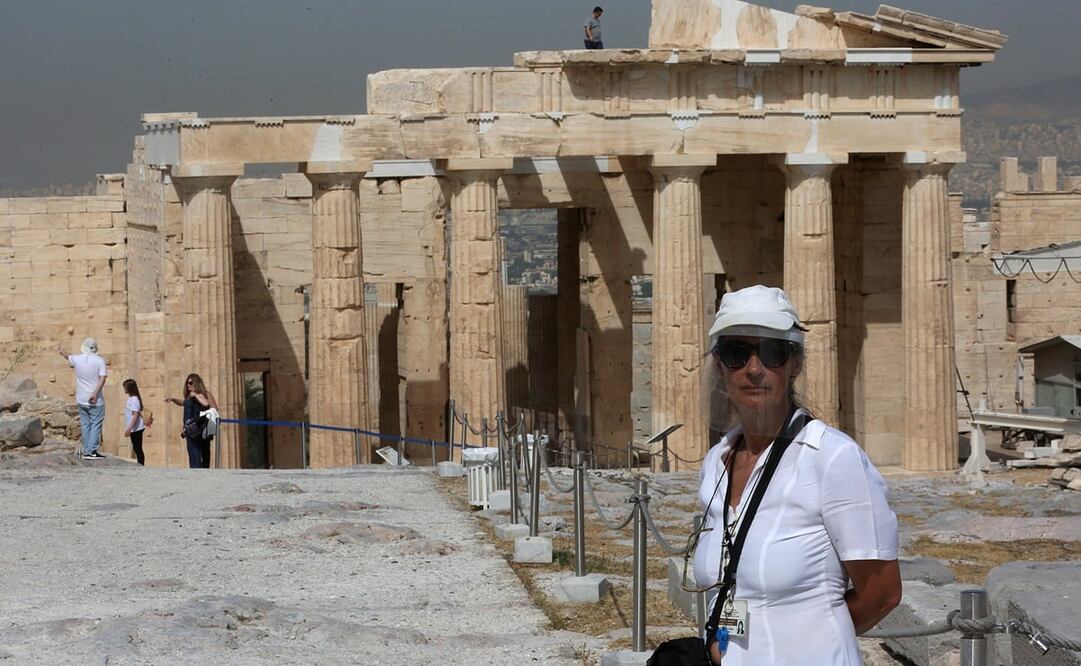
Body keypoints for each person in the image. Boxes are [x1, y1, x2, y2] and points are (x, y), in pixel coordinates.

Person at [692, 285, 900, 665]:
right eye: (737, 353)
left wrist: (810, 639)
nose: (755, 369)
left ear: (794, 364)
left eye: (772, 353)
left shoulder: (834, 460)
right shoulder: (716, 462)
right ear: (720, 365)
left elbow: (882, 594)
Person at [57, 338, 108, 461]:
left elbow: (67, 356)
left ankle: (86, 449)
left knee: (85, 424)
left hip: (81, 398)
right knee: (96, 423)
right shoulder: (99, 361)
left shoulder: (77, 359)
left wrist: (61, 350)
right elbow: (102, 379)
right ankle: (92, 451)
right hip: (95, 399)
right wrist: (95, 393)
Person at [165, 373, 219, 469]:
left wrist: (197, 396)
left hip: (203, 427)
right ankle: (196, 472)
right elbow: (183, 403)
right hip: (192, 429)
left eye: (190, 383)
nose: (188, 385)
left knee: (205, 452)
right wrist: (173, 399)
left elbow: (210, 405)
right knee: (194, 454)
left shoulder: (205, 394)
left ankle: (204, 471)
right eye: (187, 383)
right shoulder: (189, 397)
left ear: (197, 383)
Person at [122, 379, 146, 465]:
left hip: (136, 428)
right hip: (135, 428)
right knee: (136, 448)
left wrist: (129, 428)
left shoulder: (134, 399)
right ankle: (140, 463)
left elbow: (135, 414)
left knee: (138, 448)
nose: (124, 389)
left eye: (125, 387)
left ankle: (141, 464)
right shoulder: (132, 399)